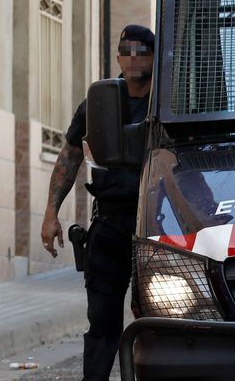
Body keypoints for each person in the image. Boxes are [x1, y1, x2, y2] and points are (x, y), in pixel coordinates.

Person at [40, 24, 155, 381]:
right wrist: (50, 214)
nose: (133, 58)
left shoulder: (167, 99)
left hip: (155, 225)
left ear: (154, 55)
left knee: (161, 322)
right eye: (126, 51)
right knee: (102, 325)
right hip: (110, 223)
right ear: (118, 56)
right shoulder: (101, 100)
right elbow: (70, 156)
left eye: (141, 50)